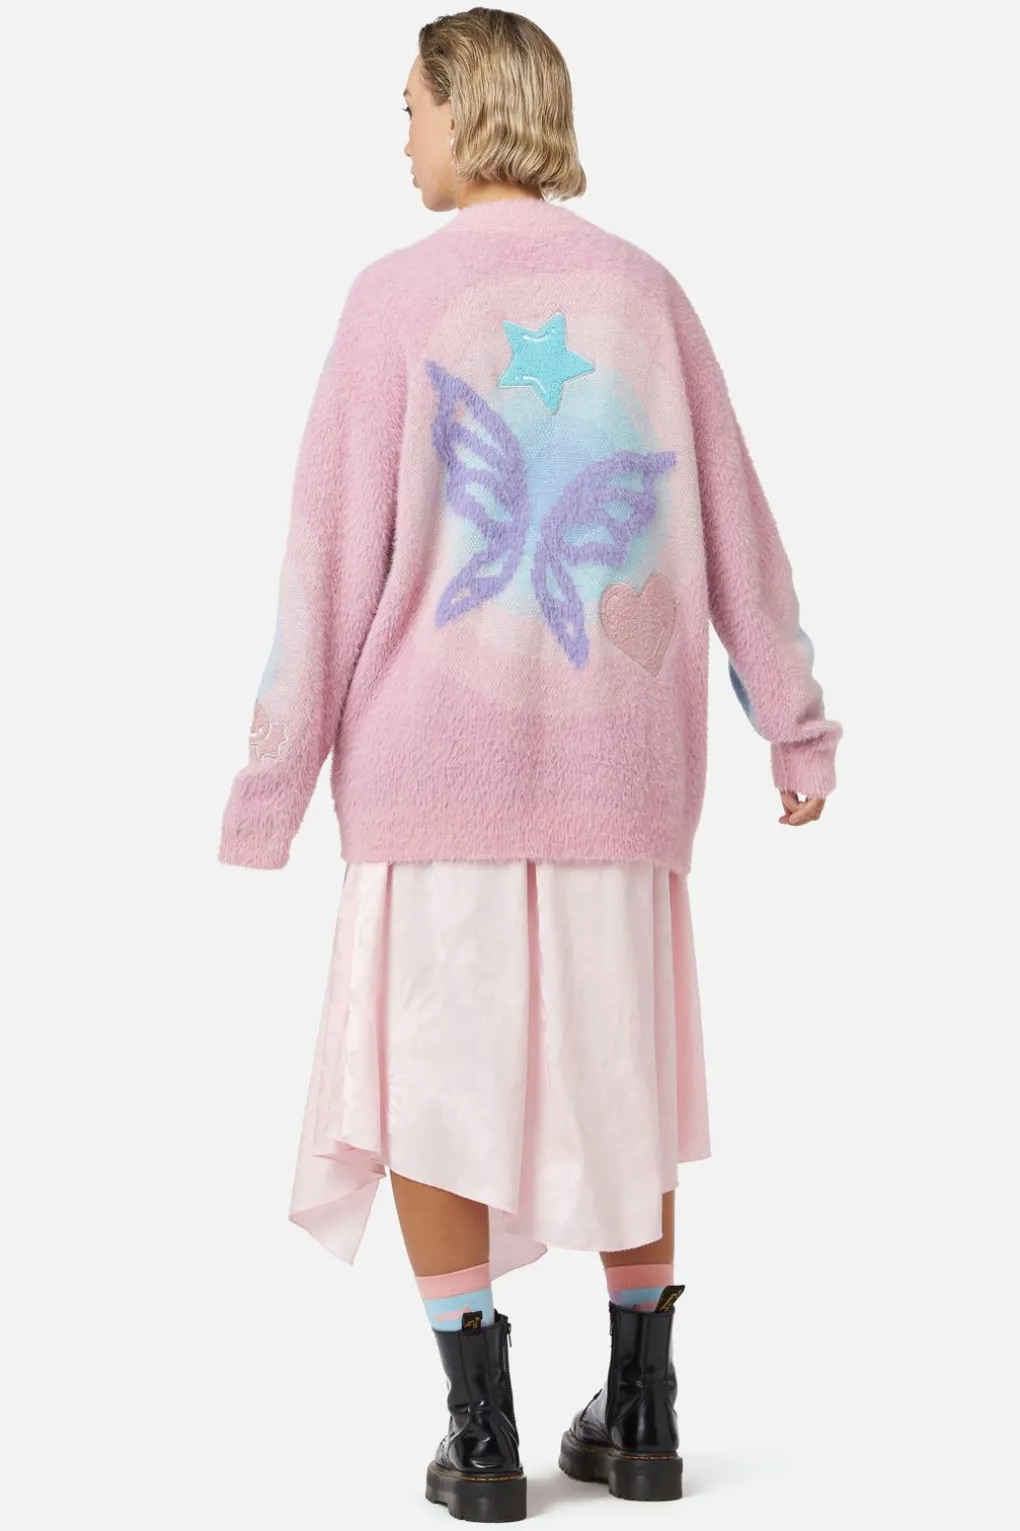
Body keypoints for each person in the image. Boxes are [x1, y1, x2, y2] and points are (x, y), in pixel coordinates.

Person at [217, 7, 843, 1521]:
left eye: (410, 106)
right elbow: (739, 525)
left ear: (467, 105)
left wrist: (270, 786)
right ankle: (645, 1410)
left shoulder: (390, 300)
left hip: (431, 776)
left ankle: (481, 1432)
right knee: (625, 1079)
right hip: (623, 778)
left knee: (423, 1085)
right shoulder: (646, 293)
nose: (402, 138)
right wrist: (795, 719)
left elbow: (326, 563)